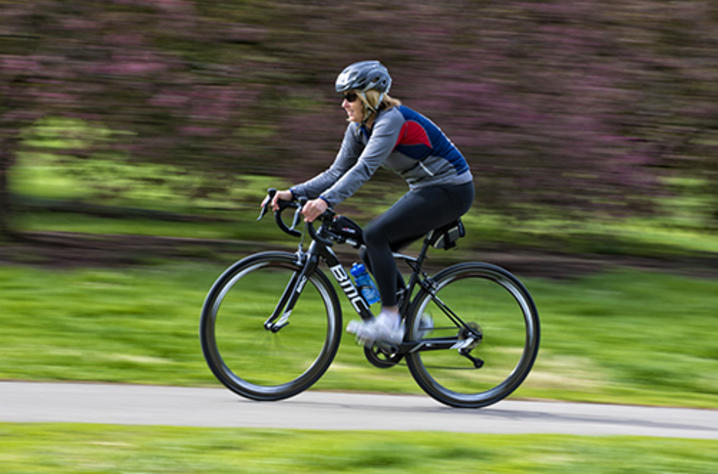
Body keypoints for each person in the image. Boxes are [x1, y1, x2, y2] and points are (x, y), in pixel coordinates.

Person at [264, 60, 474, 346]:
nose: (344, 104)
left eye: (350, 96)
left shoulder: (391, 121)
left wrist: (325, 202)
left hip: (451, 189)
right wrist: (293, 192)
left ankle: (389, 321)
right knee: (368, 247)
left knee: (376, 235)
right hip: (427, 188)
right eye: (343, 97)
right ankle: (409, 318)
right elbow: (336, 172)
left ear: (369, 96)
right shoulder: (358, 128)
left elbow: (363, 170)